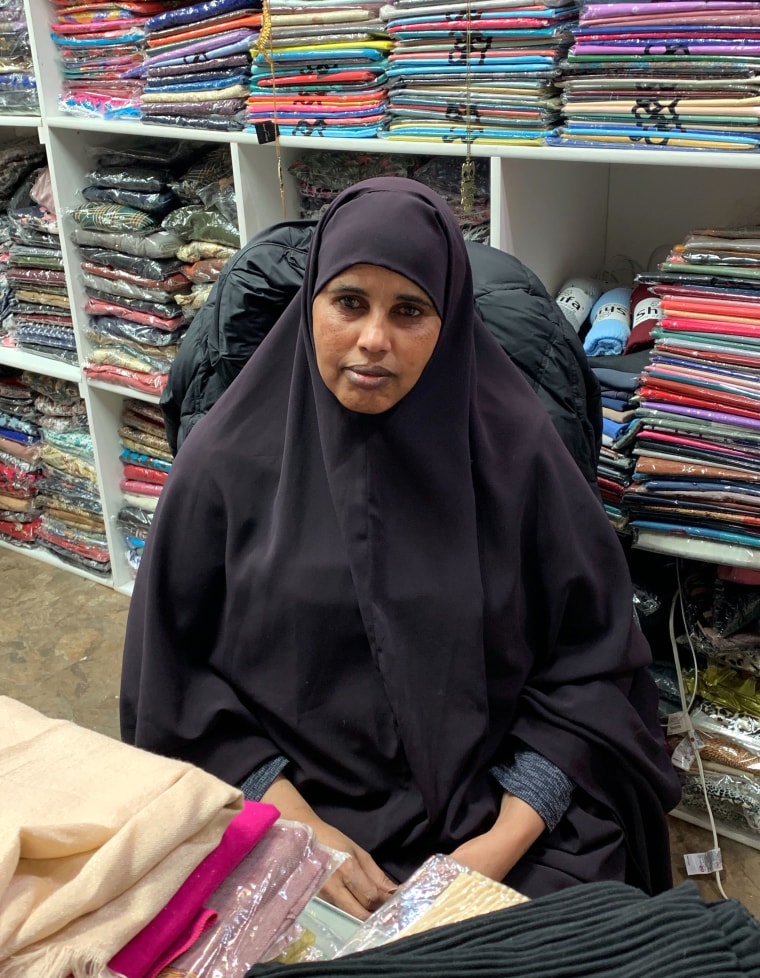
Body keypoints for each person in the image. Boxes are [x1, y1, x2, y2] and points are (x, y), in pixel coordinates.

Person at [120, 177, 681, 921]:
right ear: (310, 304)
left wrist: (487, 858)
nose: (373, 339)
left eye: (409, 310)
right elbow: (176, 686)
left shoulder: (521, 462)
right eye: (348, 302)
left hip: (504, 815)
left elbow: (594, 673)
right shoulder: (225, 467)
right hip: (290, 811)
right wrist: (297, 831)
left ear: (447, 324)